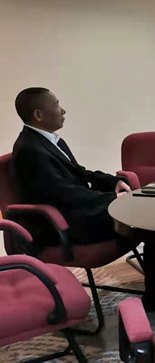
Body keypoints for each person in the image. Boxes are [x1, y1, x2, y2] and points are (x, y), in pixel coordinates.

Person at [12, 88, 131, 245]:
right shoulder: (29, 149)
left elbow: (79, 173)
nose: (63, 111)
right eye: (56, 105)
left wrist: (112, 182)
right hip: (67, 224)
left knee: (140, 206)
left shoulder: (51, 141)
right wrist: (111, 198)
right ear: (38, 115)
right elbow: (63, 193)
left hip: (79, 210)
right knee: (138, 215)